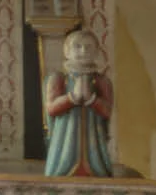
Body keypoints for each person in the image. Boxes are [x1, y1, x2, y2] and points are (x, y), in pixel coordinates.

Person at [44, 30, 115, 177]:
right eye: (77, 46)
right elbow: (51, 109)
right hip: (65, 139)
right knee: (62, 168)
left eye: (88, 47)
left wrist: (92, 99)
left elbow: (107, 111)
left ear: (96, 52)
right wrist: (72, 98)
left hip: (94, 136)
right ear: (67, 51)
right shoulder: (58, 79)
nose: (83, 51)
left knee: (98, 170)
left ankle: (96, 167)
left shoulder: (101, 81)